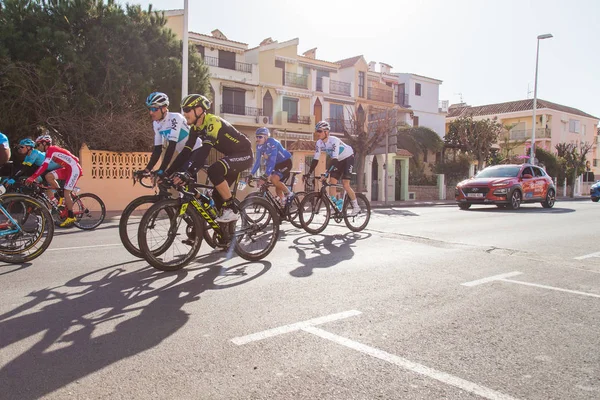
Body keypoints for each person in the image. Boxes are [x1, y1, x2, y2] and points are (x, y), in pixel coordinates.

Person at [167, 94, 253, 222]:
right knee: (216, 197)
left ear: (199, 110)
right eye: (183, 110)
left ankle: (232, 210)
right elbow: (185, 152)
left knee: (214, 169)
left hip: (244, 155)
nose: (184, 113)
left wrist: (188, 173)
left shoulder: (213, 122)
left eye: (187, 110)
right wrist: (168, 172)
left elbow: (204, 151)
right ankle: (225, 235)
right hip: (231, 157)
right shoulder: (195, 128)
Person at [305, 120, 361, 216]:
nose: (317, 133)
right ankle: (334, 207)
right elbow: (315, 159)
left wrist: (326, 172)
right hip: (338, 160)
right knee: (332, 182)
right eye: (317, 131)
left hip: (348, 157)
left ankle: (356, 207)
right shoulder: (319, 143)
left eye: (319, 131)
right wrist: (309, 173)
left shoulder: (334, 140)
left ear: (326, 132)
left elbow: (334, 160)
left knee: (345, 184)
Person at [26, 135, 83, 227]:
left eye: (38, 144)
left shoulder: (51, 150)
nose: (37, 147)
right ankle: (60, 195)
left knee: (67, 192)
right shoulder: (49, 152)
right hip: (67, 169)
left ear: (44, 143)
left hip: (74, 169)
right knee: (49, 176)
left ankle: (71, 216)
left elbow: (44, 166)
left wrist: (33, 177)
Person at [142, 92, 201, 177]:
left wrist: (162, 169)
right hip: (184, 154)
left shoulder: (175, 118)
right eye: (150, 109)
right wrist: (146, 169)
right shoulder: (156, 124)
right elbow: (157, 150)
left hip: (197, 150)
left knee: (180, 176)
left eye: (155, 109)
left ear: (164, 108)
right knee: (171, 179)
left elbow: (171, 146)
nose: (151, 112)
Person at [248, 127, 294, 206]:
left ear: (266, 137)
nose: (258, 139)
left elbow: (272, 160)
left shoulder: (272, 142)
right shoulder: (259, 146)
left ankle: (290, 194)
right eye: (256, 137)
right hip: (276, 165)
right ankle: (283, 203)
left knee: (273, 179)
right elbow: (257, 162)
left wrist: (266, 175)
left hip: (285, 162)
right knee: (277, 186)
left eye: (260, 137)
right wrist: (251, 174)